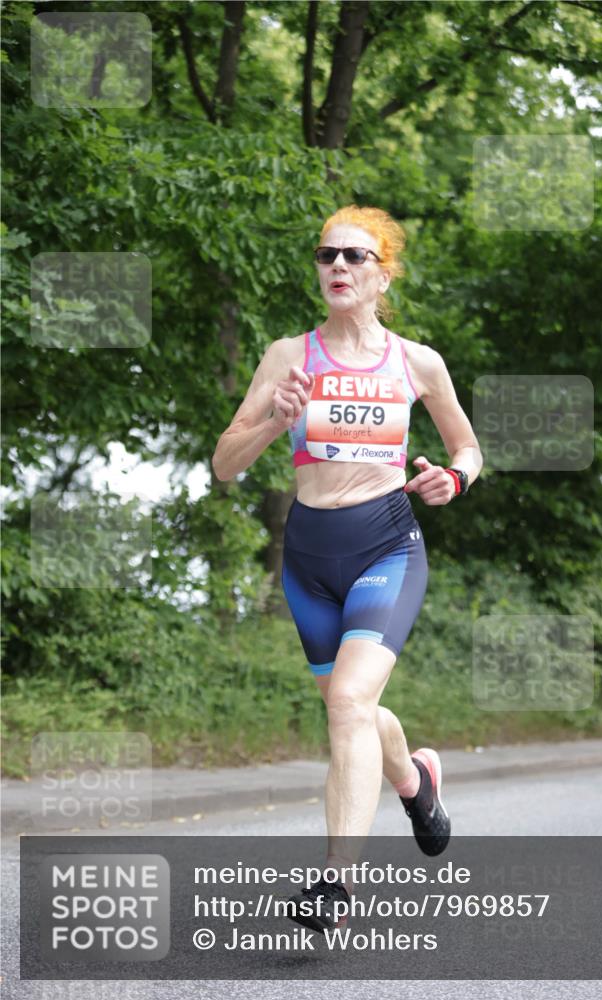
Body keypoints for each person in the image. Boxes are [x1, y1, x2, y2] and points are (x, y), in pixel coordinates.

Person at [212, 205, 483, 931]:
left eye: (354, 257)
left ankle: (336, 885)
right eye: (326, 254)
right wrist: (274, 418)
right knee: (354, 710)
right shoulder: (286, 356)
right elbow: (225, 466)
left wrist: (450, 480)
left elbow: (467, 449)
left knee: (347, 705)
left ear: (381, 274)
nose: (336, 266)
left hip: (385, 547)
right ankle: (413, 778)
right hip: (308, 560)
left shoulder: (415, 361)